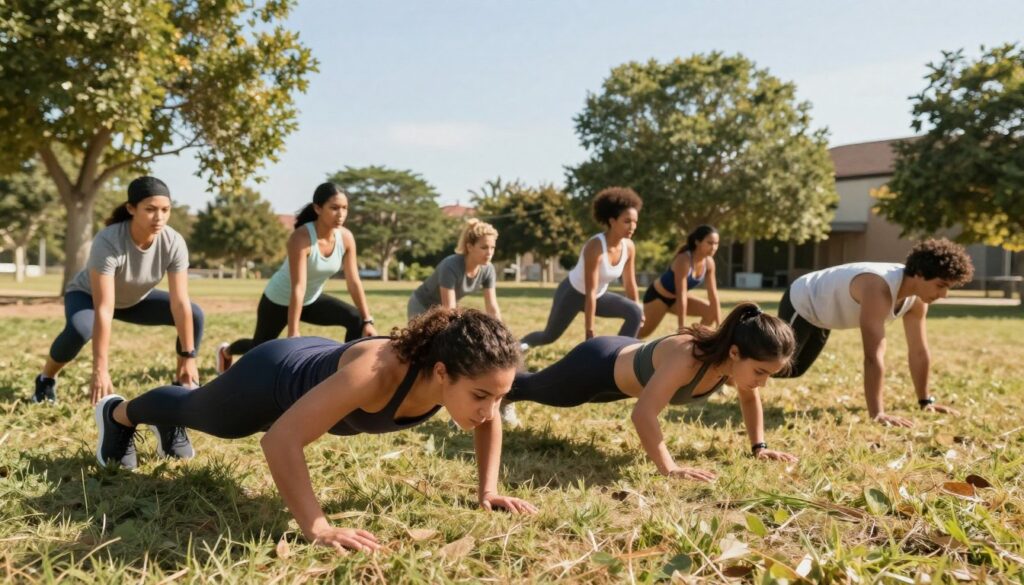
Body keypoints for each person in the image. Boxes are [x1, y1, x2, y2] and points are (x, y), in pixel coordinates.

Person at [94, 307, 537, 552]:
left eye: (499, 396)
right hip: (270, 377)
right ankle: (118, 414)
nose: (490, 410)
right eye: (482, 396)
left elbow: (489, 421)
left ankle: (166, 424)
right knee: (203, 413)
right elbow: (280, 440)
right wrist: (318, 527)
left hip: (317, 359)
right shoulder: (377, 374)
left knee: (198, 413)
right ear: (441, 372)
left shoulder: (467, 380)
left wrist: (488, 490)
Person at [508, 303, 797, 481]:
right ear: (734, 352)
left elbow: (749, 398)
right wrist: (669, 468)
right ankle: (494, 383)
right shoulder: (690, 357)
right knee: (527, 388)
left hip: (625, 371)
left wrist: (760, 447)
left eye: (769, 375)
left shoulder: (732, 363)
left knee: (535, 389)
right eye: (760, 372)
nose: (762, 383)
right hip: (597, 366)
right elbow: (643, 414)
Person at [31, 176, 202, 458]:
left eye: (165, 210)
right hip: (88, 296)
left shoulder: (173, 241)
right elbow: (104, 308)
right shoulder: (109, 240)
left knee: (194, 314)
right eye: (150, 209)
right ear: (131, 208)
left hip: (135, 300)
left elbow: (180, 302)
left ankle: (179, 388)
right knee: (80, 329)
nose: (159, 217)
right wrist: (100, 368)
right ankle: (46, 379)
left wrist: (189, 356)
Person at [775, 238, 975, 427]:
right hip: (804, 300)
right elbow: (873, 356)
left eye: (948, 287)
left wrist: (925, 401)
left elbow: (919, 351)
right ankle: (756, 337)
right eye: (940, 286)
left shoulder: (917, 300)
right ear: (920, 274)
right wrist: (877, 413)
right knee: (777, 365)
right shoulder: (878, 288)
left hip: (825, 315)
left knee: (794, 370)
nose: (944, 295)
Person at [217, 183, 376, 373]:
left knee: (355, 318)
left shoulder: (346, 238)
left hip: (310, 300)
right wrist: (293, 331)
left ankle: (343, 372)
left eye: (344, 208)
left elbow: (353, 281)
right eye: (334, 208)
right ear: (318, 208)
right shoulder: (301, 238)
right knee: (259, 350)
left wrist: (367, 320)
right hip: (278, 301)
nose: (341, 214)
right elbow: (298, 286)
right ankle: (226, 351)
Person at [520, 187, 643, 348]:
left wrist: (637, 307)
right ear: (612, 221)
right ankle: (517, 347)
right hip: (572, 293)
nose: (633, 226)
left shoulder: (629, 247)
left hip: (598, 296)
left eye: (635, 222)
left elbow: (630, 283)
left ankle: (618, 355)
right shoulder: (595, 246)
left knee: (635, 312)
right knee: (548, 336)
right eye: (627, 221)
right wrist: (589, 330)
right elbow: (590, 291)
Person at [407, 219, 501, 321]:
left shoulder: (488, 269)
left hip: (443, 309)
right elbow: (449, 310)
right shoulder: (450, 266)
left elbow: (492, 307)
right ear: (469, 247)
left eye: (492, 247)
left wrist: (501, 330)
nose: (490, 253)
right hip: (422, 306)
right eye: (484, 247)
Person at [638, 225, 721, 338]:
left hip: (675, 300)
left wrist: (719, 325)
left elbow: (713, 294)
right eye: (710, 243)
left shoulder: (709, 263)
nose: (714, 247)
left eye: (716, 243)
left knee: (710, 312)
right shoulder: (684, 259)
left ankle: (695, 342)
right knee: (641, 334)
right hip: (658, 297)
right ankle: (619, 343)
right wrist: (681, 328)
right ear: (697, 242)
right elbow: (681, 294)